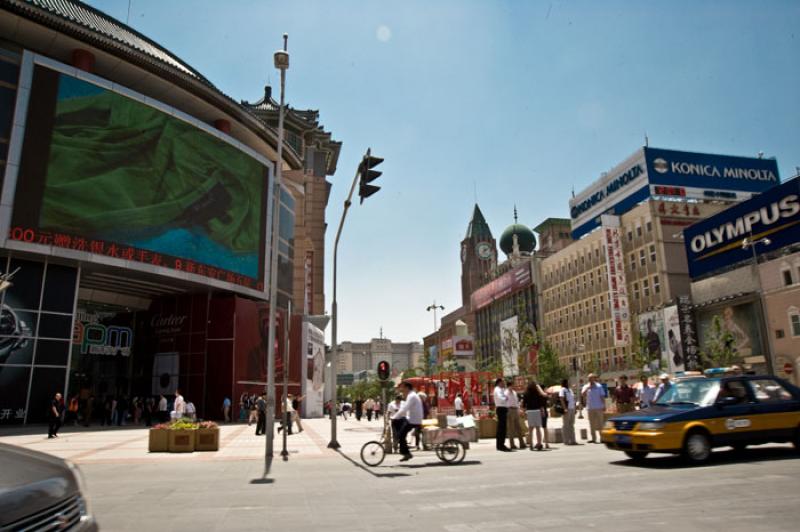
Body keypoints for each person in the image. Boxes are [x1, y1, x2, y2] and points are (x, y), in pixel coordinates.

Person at [391, 382, 424, 461]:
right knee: (399, 427)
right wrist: (396, 417)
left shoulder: (412, 396)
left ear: (407, 388)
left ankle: (406, 453)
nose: (402, 390)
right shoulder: (411, 395)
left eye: (403, 388)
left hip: (414, 420)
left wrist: (395, 417)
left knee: (401, 435)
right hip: (411, 418)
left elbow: (404, 408)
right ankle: (404, 450)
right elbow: (405, 409)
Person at [522, 381, 547, 450]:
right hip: (537, 411)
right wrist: (542, 411)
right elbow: (541, 403)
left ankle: (531, 445)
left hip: (529, 412)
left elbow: (524, 404)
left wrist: (523, 412)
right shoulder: (537, 393)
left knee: (530, 429)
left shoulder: (526, 393)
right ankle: (539, 443)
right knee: (538, 428)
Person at [582, 374, 606, 443]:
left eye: (591, 378)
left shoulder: (599, 386)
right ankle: (593, 438)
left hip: (599, 407)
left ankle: (602, 438)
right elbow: (582, 394)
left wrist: (604, 405)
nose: (590, 380)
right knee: (591, 424)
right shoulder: (586, 386)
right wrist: (587, 388)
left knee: (600, 423)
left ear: (594, 379)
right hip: (590, 408)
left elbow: (602, 396)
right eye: (589, 378)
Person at [493, 378, 512, 452]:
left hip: (503, 409)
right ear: (499, 382)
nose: (504, 383)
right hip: (501, 409)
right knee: (502, 428)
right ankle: (501, 445)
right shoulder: (497, 389)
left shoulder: (501, 389)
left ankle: (500, 444)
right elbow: (501, 398)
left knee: (502, 428)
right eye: (503, 382)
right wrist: (506, 398)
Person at [506, 385, 526, 450]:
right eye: (510, 386)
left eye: (512, 386)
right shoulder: (506, 393)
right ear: (508, 386)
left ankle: (522, 443)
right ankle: (512, 445)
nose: (512, 387)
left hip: (515, 410)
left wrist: (519, 410)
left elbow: (516, 402)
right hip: (509, 410)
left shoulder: (514, 393)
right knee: (511, 429)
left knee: (518, 427)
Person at [559, 379, 577, 445]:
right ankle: (566, 440)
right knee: (566, 425)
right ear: (565, 383)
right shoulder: (562, 389)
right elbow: (561, 399)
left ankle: (573, 440)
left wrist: (575, 408)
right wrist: (564, 408)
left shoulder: (570, 390)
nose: (569, 383)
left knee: (571, 425)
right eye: (568, 382)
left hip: (572, 408)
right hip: (567, 409)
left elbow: (573, 399)